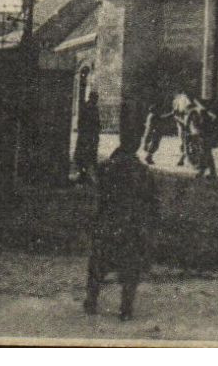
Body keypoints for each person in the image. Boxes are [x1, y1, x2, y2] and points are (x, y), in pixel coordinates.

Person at [84, 144, 158, 321]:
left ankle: (91, 302)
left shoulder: (104, 169)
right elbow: (153, 203)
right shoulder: (144, 172)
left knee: (97, 265)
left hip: (108, 224)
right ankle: (126, 309)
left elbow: (99, 199)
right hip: (131, 226)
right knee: (130, 270)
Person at [72, 88, 101, 184]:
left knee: (84, 155)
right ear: (92, 98)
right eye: (96, 98)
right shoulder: (91, 108)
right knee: (88, 155)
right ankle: (85, 175)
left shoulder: (87, 107)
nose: (96, 100)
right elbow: (93, 123)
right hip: (89, 136)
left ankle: (83, 173)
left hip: (87, 136)